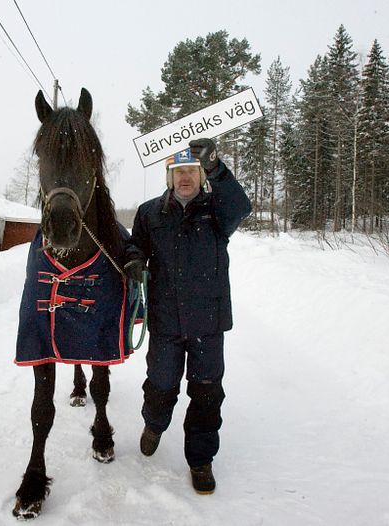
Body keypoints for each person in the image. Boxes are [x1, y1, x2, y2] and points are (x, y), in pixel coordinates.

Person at [124, 138, 251, 494]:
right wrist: (134, 259)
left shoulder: (217, 211)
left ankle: (201, 460)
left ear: (201, 175)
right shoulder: (150, 212)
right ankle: (154, 424)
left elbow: (242, 206)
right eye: (179, 171)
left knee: (207, 394)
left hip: (208, 323)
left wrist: (216, 166)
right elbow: (137, 244)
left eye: (192, 171)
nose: (185, 177)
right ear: (169, 175)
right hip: (165, 320)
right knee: (161, 385)